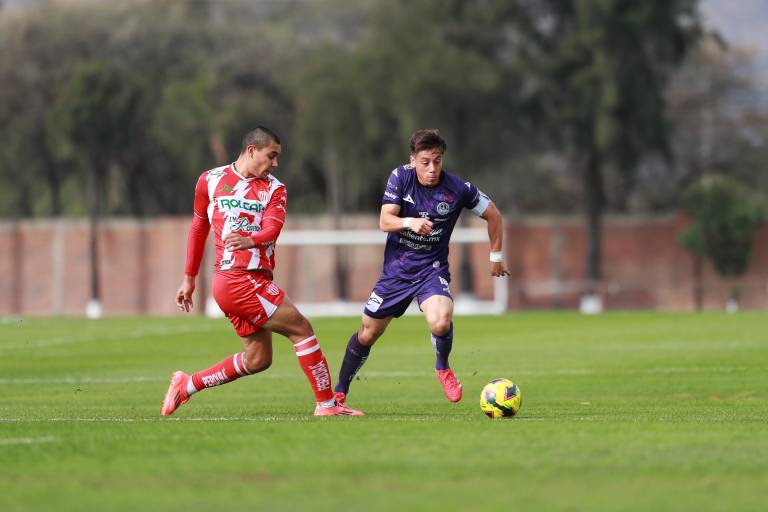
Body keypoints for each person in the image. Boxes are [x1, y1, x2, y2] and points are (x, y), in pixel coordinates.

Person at [162, 127, 363, 417]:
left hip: (252, 279)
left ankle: (187, 385)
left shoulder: (274, 188)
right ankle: (327, 405)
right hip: (236, 278)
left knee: (258, 359)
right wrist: (189, 278)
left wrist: (251, 239)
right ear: (251, 150)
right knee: (302, 329)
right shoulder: (210, 180)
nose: (276, 163)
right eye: (272, 156)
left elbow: (272, 228)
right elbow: (198, 229)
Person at [333, 128, 510, 406]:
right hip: (396, 273)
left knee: (440, 321)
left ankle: (442, 368)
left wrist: (496, 255)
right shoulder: (400, 177)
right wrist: (409, 222)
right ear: (412, 159)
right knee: (368, 333)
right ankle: (339, 392)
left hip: (432, 269)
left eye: (437, 161)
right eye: (425, 161)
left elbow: (494, 214)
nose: (432, 168)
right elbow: (384, 221)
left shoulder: (457, 189)